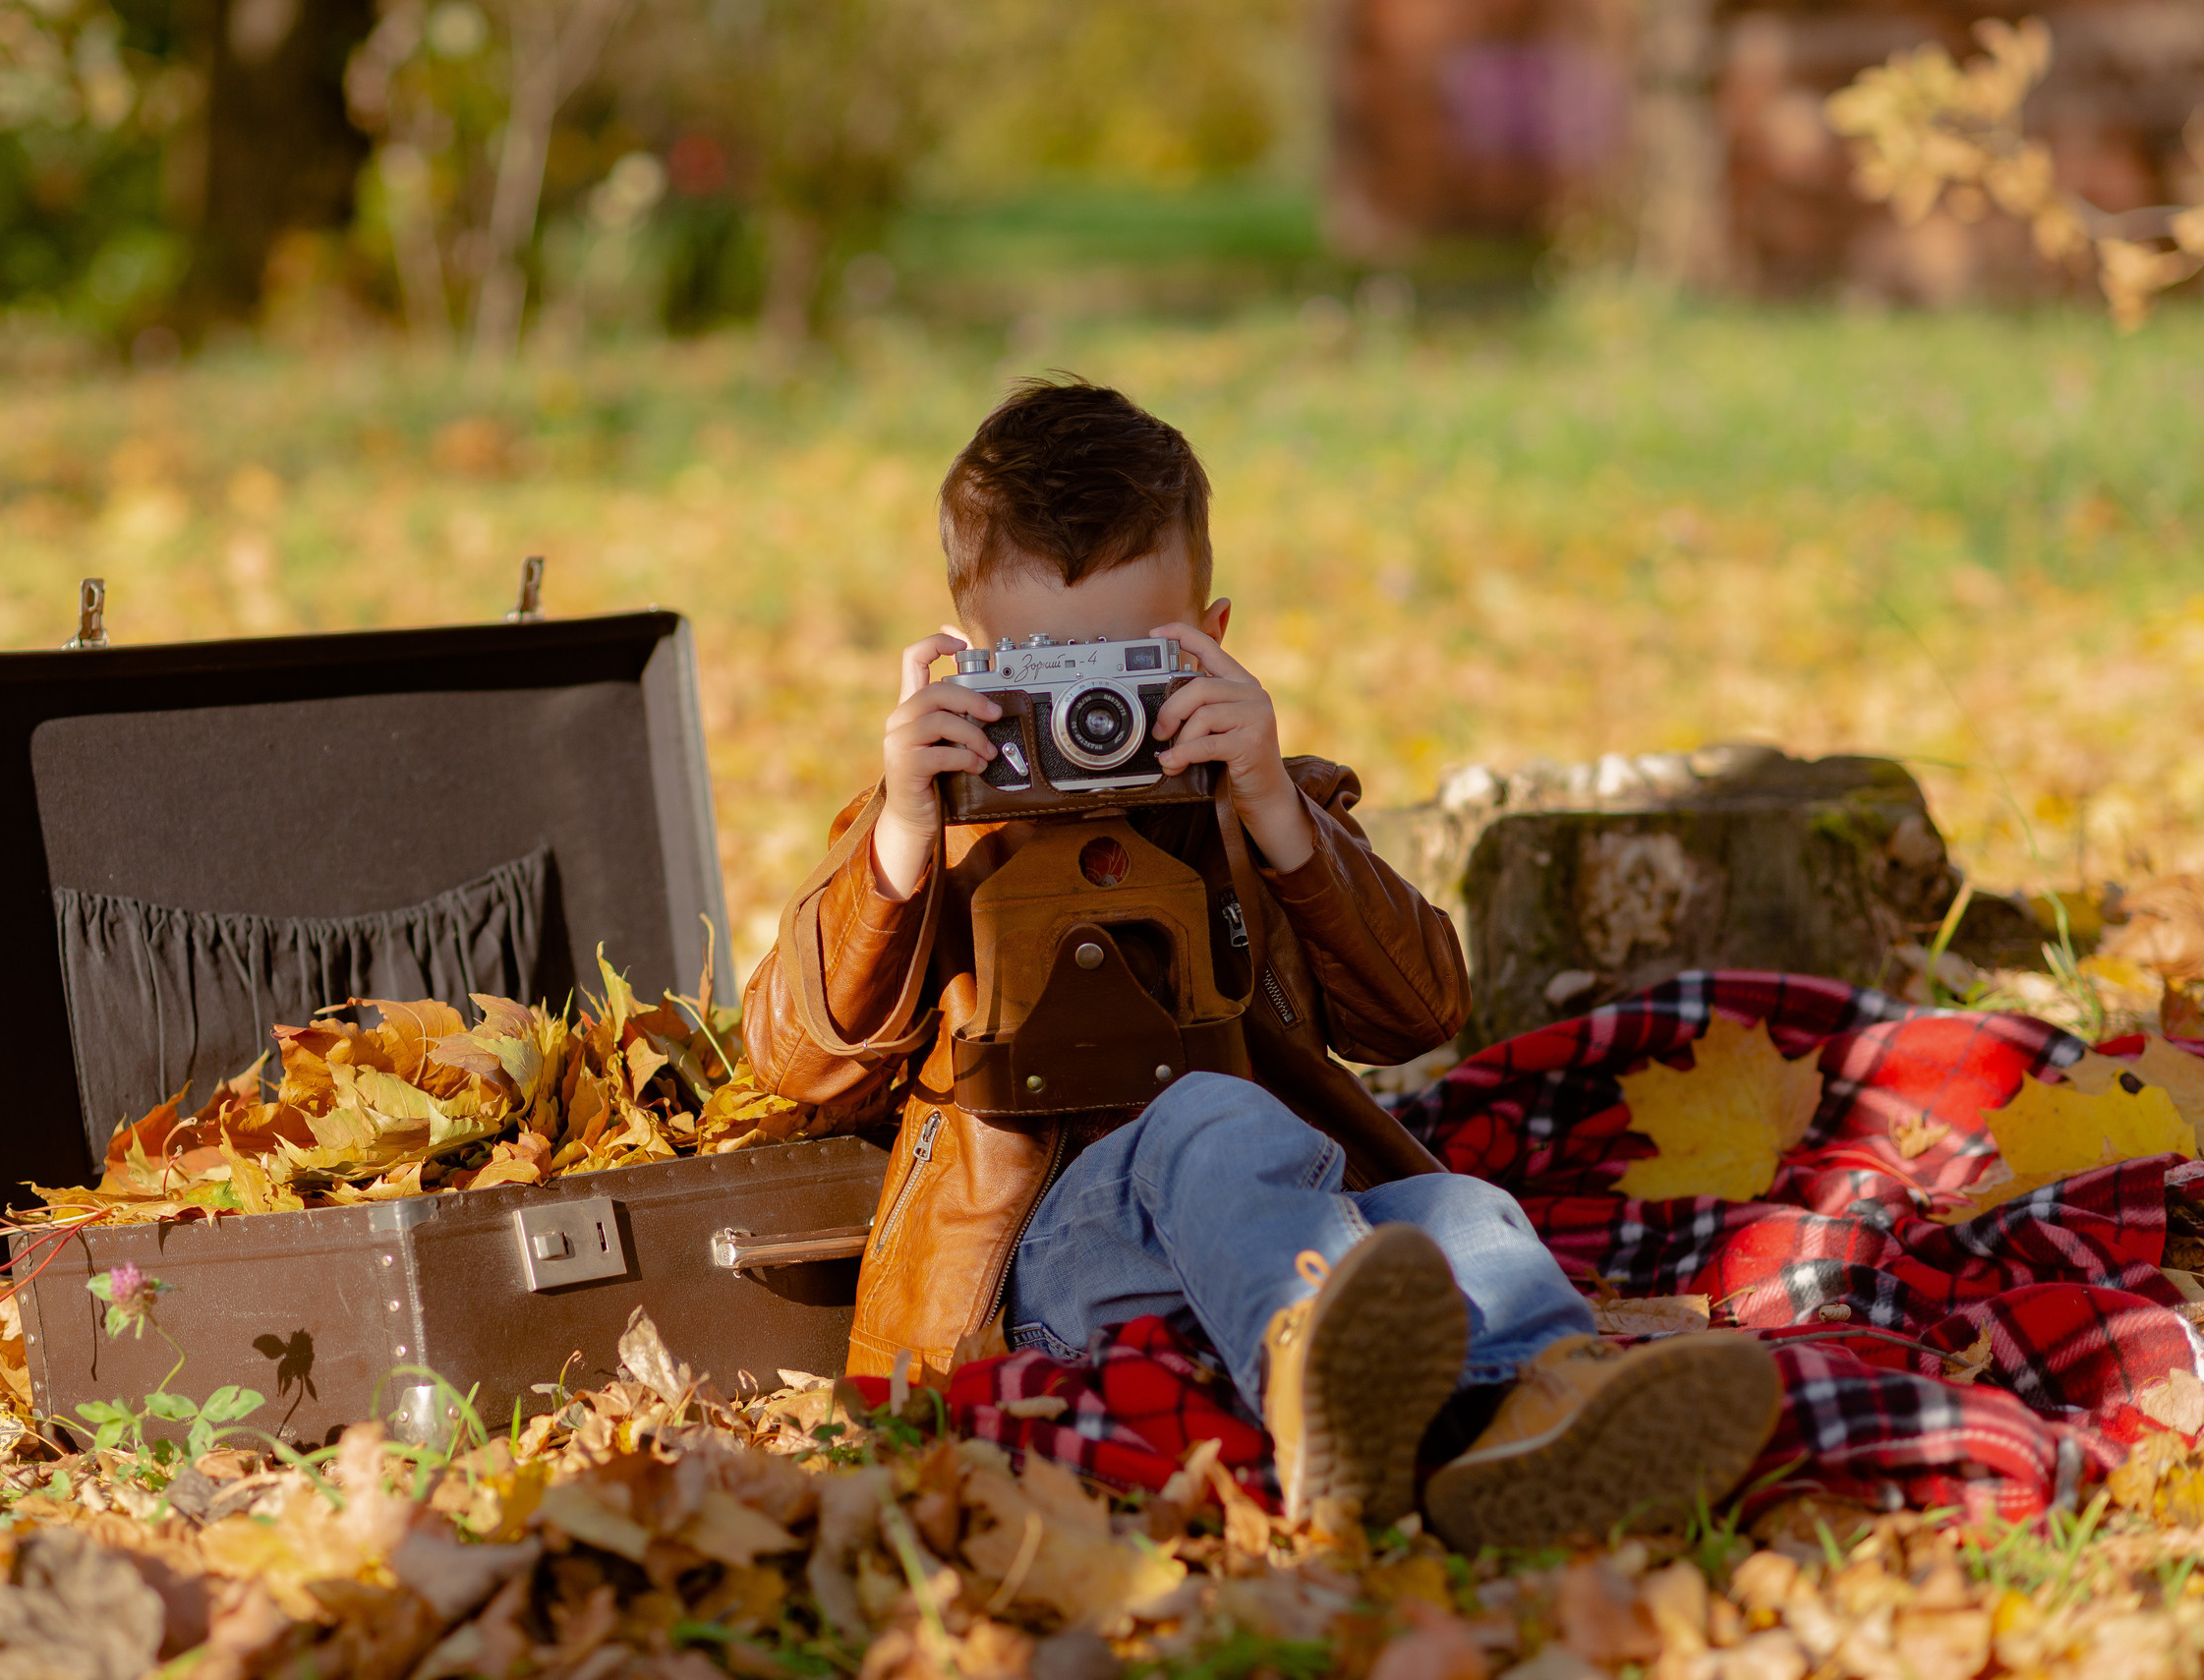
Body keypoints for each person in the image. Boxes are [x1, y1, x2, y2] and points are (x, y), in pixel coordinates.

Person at [742, 377, 1779, 1547]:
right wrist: (900, 840)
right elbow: (789, 1066)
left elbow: (1421, 1009)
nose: (1090, 714)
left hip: (1262, 1235)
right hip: (1036, 1270)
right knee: (1210, 1123)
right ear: (965, 661)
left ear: (1211, 638)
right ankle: (1322, 1396)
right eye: (1041, 672)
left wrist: (1279, 813)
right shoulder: (930, 825)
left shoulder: (1253, 807)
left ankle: (1544, 1412)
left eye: (1128, 667)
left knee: (1455, 1203)